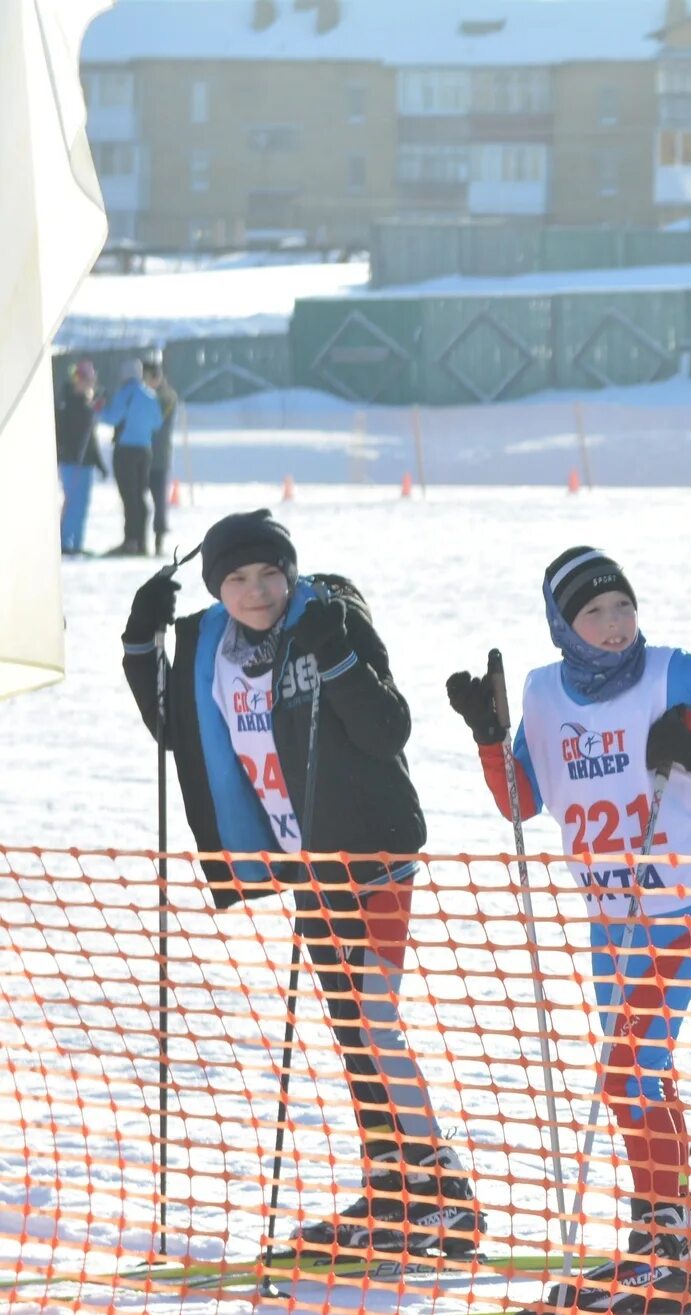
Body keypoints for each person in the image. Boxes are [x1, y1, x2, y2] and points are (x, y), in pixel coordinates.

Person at [447, 546, 691, 1315]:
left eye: (623, 607)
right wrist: (487, 735)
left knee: (624, 1074)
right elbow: (520, 801)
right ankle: (662, 1237)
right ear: (562, 625)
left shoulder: (667, 672)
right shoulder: (543, 694)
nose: (614, 626)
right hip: (608, 917)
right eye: (593, 613)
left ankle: (668, 1244)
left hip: (673, 906)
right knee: (640, 1076)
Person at [119, 509, 477, 1262]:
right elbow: (180, 730)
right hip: (304, 860)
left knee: (373, 1015)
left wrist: (337, 658)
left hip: (369, 850)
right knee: (352, 1026)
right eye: (238, 578)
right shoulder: (213, 650)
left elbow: (387, 728)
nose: (257, 590)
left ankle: (442, 1189)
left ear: (291, 570)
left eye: (269, 573)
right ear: (218, 586)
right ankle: (391, 1188)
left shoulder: (332, 615)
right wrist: (138, 644)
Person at [95, 357, 165, 558]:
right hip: (145, 450)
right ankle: (142, 542)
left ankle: (130, 541)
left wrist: (99, 409)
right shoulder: (150, 395)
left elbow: (112, 418)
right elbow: (157, 423)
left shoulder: (125, 394)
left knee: (128, 497)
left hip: (125, 449)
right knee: (140, 496)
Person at [55, 360, 106, 556]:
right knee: (73, 503)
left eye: (91, 381)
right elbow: (64, 432)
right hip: (71, 462)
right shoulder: (68, 403)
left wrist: (99, 464)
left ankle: (77, 542)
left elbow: (91, 438)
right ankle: (65, 542)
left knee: (82, 504)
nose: (89, 385)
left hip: (85, 463)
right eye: (85, 380)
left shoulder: (86, 405)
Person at [146, 356, 181, 557]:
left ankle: (158, 540)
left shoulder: (167, 396)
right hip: (142, 454)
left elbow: (159, 418)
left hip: (158, 457)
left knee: (159, 502)